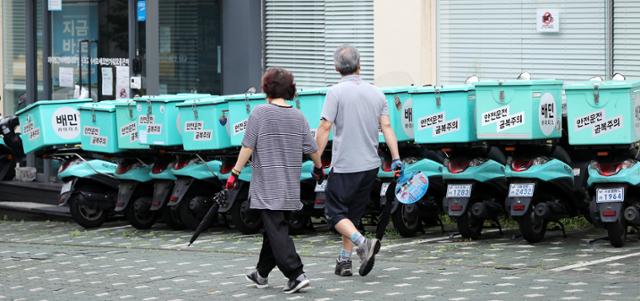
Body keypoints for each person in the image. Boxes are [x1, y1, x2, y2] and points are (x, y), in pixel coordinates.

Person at [226, 68, 322, 294]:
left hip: (267, 186)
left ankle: (296, 273)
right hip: (290, 186)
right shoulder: (298, 115)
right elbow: (312, 149)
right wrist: (320, 169)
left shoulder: (260, 113)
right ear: (291, 89)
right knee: (274, 230)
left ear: (266, 88)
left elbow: (247, 146)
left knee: (277, 230)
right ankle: (261, 273)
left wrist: (235, 173)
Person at [313, 45, 402, 277]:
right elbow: (387, 127)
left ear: (336, 68)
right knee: (350, 215)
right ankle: (344, 261)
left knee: (334, 215)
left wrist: (316, 160)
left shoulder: (335, 93)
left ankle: (363, 243)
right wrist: (396, 159)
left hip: (345, 165)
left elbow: (324, 127)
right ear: (360, 65)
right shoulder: (377, 93)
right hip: (370, 166)